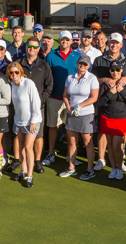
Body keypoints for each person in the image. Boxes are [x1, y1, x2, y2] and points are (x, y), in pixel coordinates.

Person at [91, 32, 126, 172]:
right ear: (107, 43)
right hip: (104, 100)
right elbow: (92, 79)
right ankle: (101, 159)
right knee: (103, 132)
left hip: (122, 106)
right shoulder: (99, 60)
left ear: (121, 45)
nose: (114, 45)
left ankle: (119, 161)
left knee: (120, 136)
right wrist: (104, 79)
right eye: (112, 42)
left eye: (117, 43)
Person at [43, 31, 81, 167]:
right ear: (59, 41)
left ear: (71, 41)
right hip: (54, 97)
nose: (64, 41)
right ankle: (51, 153)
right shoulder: (51, 56)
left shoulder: (78, 56)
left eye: (67, 39)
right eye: (62, 39)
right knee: (53, 126)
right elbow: (47, 77)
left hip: (72, 99)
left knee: (71, 128)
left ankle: (69, 155)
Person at [16, 36, 53, 173]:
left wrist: (40, 101)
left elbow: (49, 86)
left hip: (38, 108)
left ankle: (37, 161)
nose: (31, 49)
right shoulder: (18, 64)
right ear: (26, 47)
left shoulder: (44, 65)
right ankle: (22, 163)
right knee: (21, 136)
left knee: (38, 135)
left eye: (34, 47)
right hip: (21, 108)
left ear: (38, 49)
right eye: (29, 46)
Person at [60, 55, 99, 180]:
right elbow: (65, 94)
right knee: (71, 142)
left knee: (88, 142)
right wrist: (68, 106)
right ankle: (71, 168)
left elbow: (94, 97)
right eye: (80, 63)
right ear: (77, 63)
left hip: (86, 114)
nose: (82, 65)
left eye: (85, 64)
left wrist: (79, 106)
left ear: (88, 66)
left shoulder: (92, 78)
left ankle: (90, 170)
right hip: (72, 113)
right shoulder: (70, 77)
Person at [98, 61, 126, 180]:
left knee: (117, 146)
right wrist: (110, 93)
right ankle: (113, 168)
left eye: (117, 70)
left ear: (121, 71)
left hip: (121, 118)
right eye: (112, 70)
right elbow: (100, 102)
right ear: (110, 71)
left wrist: (122, 92)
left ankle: (119, 168)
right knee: (109, 145)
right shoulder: (107, 84)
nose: (115, 73)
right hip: (106, 116)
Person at [8, 62, 42, 188]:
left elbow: (36, 103)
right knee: (21, 146)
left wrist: (33, 120)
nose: (14, 75)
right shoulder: (12, 84)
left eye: (16, 72)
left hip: (32, 121)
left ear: (21, 72)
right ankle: (23, 170)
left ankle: (30, 175)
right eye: (11, 73)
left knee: (28, 147)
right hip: (18, 121)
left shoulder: (29, 83)